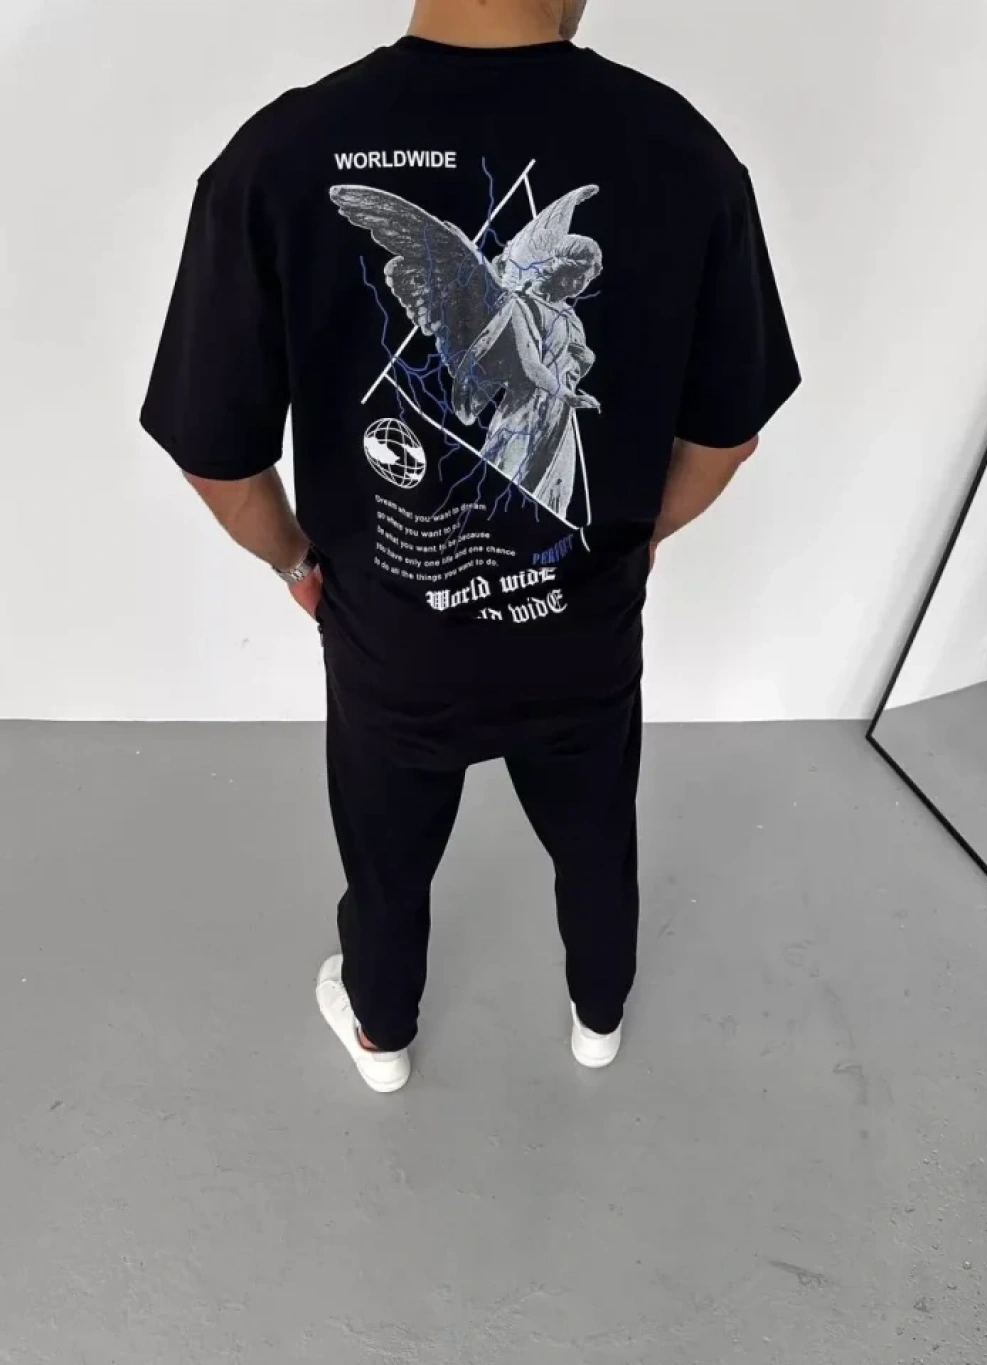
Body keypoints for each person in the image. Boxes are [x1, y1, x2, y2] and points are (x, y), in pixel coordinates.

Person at [141, 0, 800, 1094]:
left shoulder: (281, 155)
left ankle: (382, 1032)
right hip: (582, 630)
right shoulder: (681, 151)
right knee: (595, 838)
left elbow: (216, 457)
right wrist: (632, 544)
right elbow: (727, 435)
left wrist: (300, 566)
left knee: (387, 862)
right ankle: (599, 1015)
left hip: (393, 646)